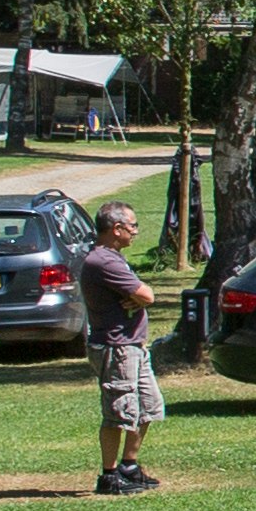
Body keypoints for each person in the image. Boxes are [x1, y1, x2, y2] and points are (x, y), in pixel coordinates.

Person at [82, 202, 161, 495]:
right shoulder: (105, 262)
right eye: (133, 226)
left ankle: (129, 465)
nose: (136, 232)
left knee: (147, 406)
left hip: (133, 346)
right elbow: (148, 295)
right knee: (119, 412)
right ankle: (109, 475)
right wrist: (139, 297)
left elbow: (140, 295)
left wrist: (138, 297)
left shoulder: (114, 258)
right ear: (116, 229)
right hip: (116, 348)